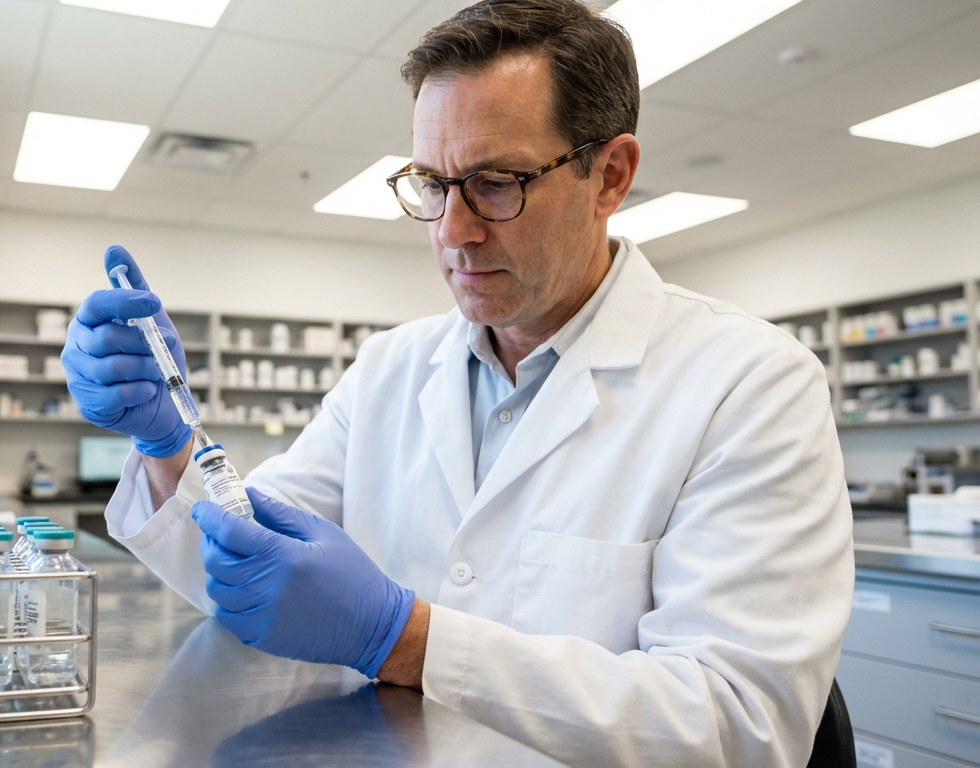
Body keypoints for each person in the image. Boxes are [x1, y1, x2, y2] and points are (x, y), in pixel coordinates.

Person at [62, 1, 854, 765]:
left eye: (497, 182)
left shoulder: (750, 384)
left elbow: (741, 729)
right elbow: (247, 577)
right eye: (433, 185)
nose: (453, 232)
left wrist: (403, 637)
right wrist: (166, 443)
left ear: (609, 176)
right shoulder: (388, 371)